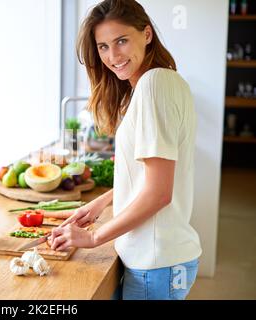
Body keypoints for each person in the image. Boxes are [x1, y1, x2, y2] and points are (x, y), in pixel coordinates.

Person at [49, 0, 202, 300]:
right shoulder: (158, 82)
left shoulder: (154, 84)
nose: (112, 55)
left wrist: (93, 237)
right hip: (158, 262)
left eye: (121, 41)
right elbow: (148, 176)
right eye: (103, 46)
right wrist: (102, 203)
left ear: (146, 34)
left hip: (156, 263)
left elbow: (159, 193)